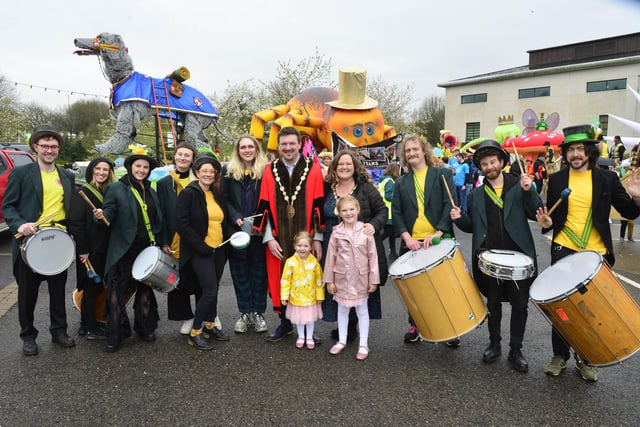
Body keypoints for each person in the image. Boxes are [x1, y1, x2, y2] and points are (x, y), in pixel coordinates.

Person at [536, 124, 640, 382]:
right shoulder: (558, 179)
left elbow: (629, 212)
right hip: (564, 248)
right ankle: (559, 355)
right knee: (560, 308)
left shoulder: (608, 179)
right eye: (570, 149)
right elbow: (551, 216)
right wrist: (546, 223)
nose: (575, 154)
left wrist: (637, 198)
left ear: (590, 152)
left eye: (580, 149)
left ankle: (587, 358)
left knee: (590, 309)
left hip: (596, 254)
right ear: (565, 153)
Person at [451, 140, 542, 373]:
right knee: (493, 303)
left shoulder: (518, 185)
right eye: (484, 164)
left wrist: (529, 190)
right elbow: (472, 226)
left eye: (493, 161)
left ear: (502, 162)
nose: (489, 166)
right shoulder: (475, 195)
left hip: (520, 256)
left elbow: (535, 212)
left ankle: (516, 349)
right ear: (480, 168)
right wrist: (458, 217)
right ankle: (494, 344)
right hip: (489, 258)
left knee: (520, 305)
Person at [1, 124, 76, 355]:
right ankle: (28, 336)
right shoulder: (21, 173)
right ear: (36, 147)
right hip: (30, 240)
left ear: (58, 149)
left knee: (57, 291)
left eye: (54, 146)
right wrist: (19, 224)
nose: (50, 150)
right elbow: (8, 205)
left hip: (58, 241)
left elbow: (72, 208)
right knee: (27, 293)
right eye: (45, 146)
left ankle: (59, 331)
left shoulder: (67, 176)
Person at [253, 126, 325, 343]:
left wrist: (318, 240)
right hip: (278, 236)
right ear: (279, 146)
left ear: (299, 145)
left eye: (292, 143)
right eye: (283, 144)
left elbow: (318, 204)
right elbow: (263, 203)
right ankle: (284, 325)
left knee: (307, 281)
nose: (288, 148)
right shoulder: (269, 169)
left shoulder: (312, 168)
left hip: (305, 238)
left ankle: (308, 328)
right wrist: (268, 238)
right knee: (280, 280)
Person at [94, 150, 162, 353]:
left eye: (145, 167)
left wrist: (161, 242)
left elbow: (159, 220)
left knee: (144, 291)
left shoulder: (151, 191)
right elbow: (109, 212)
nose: (141, 170)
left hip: (146, 249)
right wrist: (101, 215)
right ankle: (115, 335)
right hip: (123, 250)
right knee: (115, 294)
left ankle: (144, 328)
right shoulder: (116, 188)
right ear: (130, 167)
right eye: (138, 166)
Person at [391, 135, 457, 344]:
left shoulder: (442, 175)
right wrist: (407, 237)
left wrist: (439, 232)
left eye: (415, 149)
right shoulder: (401, 183)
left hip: (438, 240)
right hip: (412, 243)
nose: (411, 153)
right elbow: (397, 212)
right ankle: (415, 324)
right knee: (415, 291)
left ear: (424, 151)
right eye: (407, 151)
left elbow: (450, 205)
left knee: (444, 288)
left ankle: (451, 328)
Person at [322, 150, 388, 343]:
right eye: (340, 164)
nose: (344, 167)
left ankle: (353, 326)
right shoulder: (327, 187)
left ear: (354, 166)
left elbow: (382, 210)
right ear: (334, 167)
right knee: (338, 283)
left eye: (348, 164)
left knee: (358, 282)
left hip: (360, 243)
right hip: (331, 242)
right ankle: (343, 324)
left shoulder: (365, 188)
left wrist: (373, 225)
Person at [175, 153, 231, 350]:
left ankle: (209, 325)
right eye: (204, 170)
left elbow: (223, 221)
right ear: (197, 172)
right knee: (209, 291)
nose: (208, 174)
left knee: (212, 289)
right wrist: (202, 247)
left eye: (211, 171)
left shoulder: (215, 194)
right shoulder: (189, 193)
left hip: (219, 250)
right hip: (200, 251)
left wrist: (232, 239)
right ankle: (195, 332)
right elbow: (181, 224)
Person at [222, 135, 269, 334]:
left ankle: (258, 313)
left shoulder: (266, 171)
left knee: (259, 273)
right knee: (240, 272)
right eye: (243, 147)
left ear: (256, 149)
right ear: (238, 150)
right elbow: (224, 198)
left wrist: (261, 221)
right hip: (237, 230)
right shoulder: (228, 171)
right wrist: (234, 215)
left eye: (251, 146)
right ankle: (244, 312)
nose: (247, 150)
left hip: (259, 230)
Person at [324, 196, 379, 360]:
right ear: (339, 213)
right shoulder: (336, 233)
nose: (348, 213)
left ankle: (363, 343)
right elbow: (330, 257)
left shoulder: (366, 232)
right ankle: (341, 340)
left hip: (361, 279)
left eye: (351, 209)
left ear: (358, 210)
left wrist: (373, 280)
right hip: (342, 279)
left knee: (362, 311)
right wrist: (329, 280)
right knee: (342, 310)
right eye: (344, 210)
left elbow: (373, 257)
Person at [68, 157, 115, 340]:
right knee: (90, 287)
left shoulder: (107, 191)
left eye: (106, 169)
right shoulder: (82, 192)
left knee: (96, 286)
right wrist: (83, 249)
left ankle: (85, 323)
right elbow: (75, 223)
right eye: (98, 169)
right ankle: (91, 329)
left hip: (104, 247)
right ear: (92, 171)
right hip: (90, 249)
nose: (102, 172)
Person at [156, 142, 200, 335]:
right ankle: (186, 317)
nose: (183, 158)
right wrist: (164, 240)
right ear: (175, 157)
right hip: (174, 238)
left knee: (200, 278)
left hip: (196, 237)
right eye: (180, 154)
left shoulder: (199, 180)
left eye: (187, 155)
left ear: (192, 159)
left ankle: (205, 315)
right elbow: (162, 213)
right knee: (176, 280)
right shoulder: (165, 183)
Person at [280, 231, 324, 350]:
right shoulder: (290, 262)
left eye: (306, 246)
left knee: (309, 319)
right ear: (295, 246)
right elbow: (285, 280)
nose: (302, 249)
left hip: (311, 296)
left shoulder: (314, 262)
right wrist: (284, 295)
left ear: (311, 247)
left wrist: (320, 295)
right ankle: (301, 336)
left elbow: (319, 280)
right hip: (296, 297)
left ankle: (309, 337)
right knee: (299, 319)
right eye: (300, 245)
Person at [378, 163, 400, 261]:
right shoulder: (390, 181)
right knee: (388, 233)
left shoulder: (383, 180)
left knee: (391, 234)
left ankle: (393, 253)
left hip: (384, 209)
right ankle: (375, 244)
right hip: (389, 211)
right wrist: (398, 198)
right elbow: (388, 196)